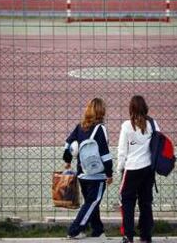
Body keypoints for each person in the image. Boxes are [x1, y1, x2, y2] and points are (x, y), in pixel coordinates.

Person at [63, 97, 113, 239]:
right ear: (101, 111)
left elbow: (68, 144)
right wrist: (109, 173)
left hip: (82, 173)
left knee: (91, 202)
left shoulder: (80, 126)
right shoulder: (100, 129)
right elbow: (105, 155)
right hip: (97, 175)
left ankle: (98, 230)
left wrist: (67, 161)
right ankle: (75, 230)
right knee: (92, 202)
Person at [117, 95, 159, 243]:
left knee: (127, 202)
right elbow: (158, 144)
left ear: (131, 109)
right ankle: (146, 236)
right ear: (145, 108)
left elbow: (122, 150)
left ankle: (128, 236)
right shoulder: (153, 125)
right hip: (148, 169)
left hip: (132, 168)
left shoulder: (127, 126)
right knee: (145, 202)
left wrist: (119, 168)